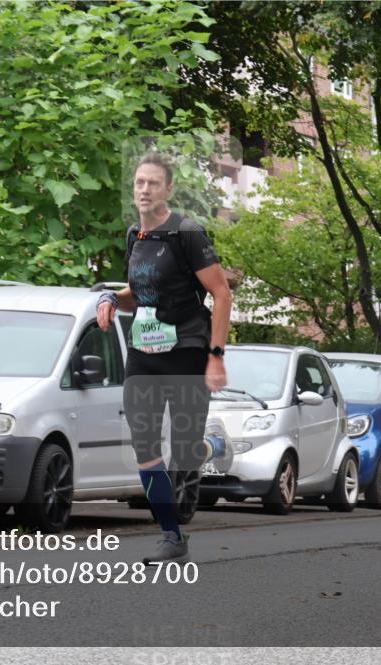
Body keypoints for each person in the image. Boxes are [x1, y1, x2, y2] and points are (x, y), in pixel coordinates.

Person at [97, 152, 232, 563]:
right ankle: (172, 536)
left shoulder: (186, 233)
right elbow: (139, 291)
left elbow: (221, 292)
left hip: (188, 349)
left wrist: (216, 357)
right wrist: (109, 298)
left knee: (186, 450)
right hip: (144, 353)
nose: (144, 190)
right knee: (145, 445)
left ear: (168, 189)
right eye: (139, 183)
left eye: (153, 183)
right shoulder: (134, 235)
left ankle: (212, 445)